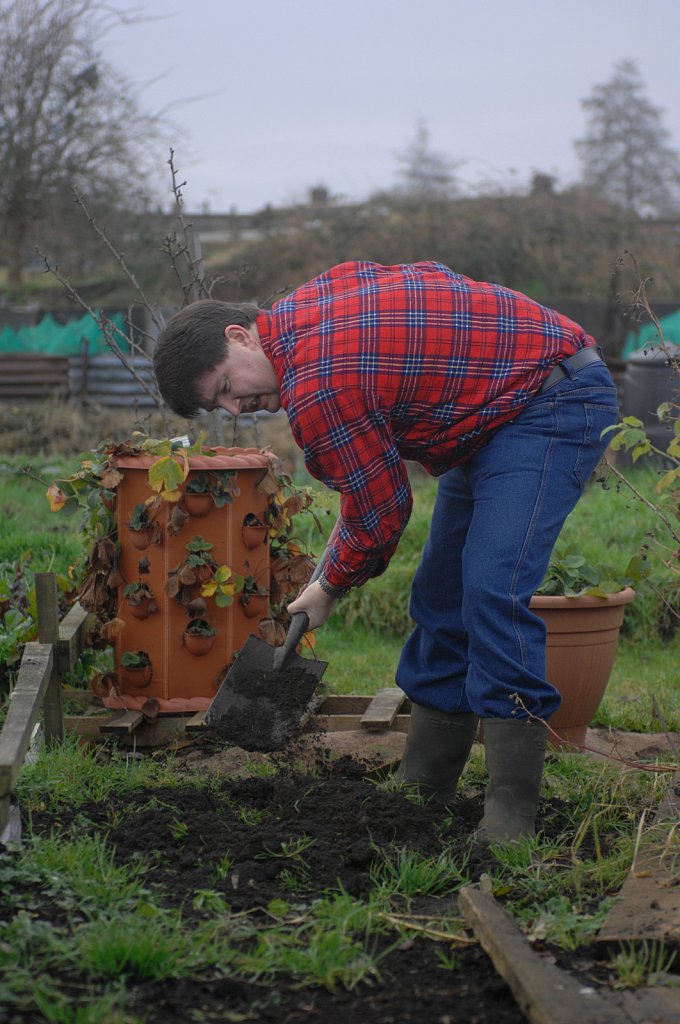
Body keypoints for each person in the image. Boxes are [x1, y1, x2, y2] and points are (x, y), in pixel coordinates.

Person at [153, 260, 618, 842]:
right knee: (441, 593)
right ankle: (427, 782)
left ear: (240, 336)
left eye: (225, 388)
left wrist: (328, 587)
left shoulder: (317, 384)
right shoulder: (304, 309)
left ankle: (511, 810)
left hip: (552, 399)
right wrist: (331, 569)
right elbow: (424, 277)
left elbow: (380, 514)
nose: (235, 410)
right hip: (492, 408)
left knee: (492, 587)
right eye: (218, 406)